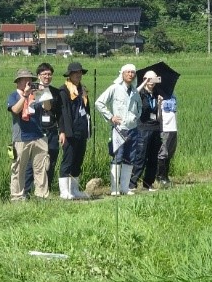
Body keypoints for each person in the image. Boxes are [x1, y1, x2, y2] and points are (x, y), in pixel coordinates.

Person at [95, 63, 142, 195]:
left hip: (132, 128)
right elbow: (99, 102)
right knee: (117, 157)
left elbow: (139, 106)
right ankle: (114, 188)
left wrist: (136, 116)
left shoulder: (134, 91)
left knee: (130, 157)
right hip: (119, 129)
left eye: (133, 72)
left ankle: (125, 188)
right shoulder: (115, 88)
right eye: (128, 72)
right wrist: (111, 117)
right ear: (122, 74)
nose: (130, 75)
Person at [7, 68, 49, 202]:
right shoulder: (14, 95)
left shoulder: (36, 95)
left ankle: (41, 195)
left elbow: (47, 107)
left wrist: (45, 91)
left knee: (41, 167)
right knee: (18, 169)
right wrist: (24, 96)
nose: (29, 82)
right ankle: (17, 197)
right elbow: (15, 110)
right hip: (21, 138)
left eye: (30, 80)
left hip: (38, 136)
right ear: (18, 82)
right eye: (26, 80)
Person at [56, 61, 91, 200]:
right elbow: (62, 113)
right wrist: (62, 131)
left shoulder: (83, 89)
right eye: (75, 73)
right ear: (69, 74)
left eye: (80, 72)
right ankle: (64, 192)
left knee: (78, 160)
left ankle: (74, 190)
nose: (78, 75)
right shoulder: (64, 91)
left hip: (82, 129)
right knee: (68, 160)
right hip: (70, 131)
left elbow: (86, 111)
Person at [24, 63, 61, 194]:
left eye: (49, 74)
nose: (47, 76)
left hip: (51, 130)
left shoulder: (56, 92)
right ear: (38, 75)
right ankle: (27, 192)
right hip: (35, 130)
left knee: (50, 160)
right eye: (44, 74)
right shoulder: (31, 91)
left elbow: (58, 113)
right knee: (30, 162)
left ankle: (47, 190)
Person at [129, 70, 163, 192]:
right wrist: (144, 83)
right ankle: (132, 184)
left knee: (153, 158)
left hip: (155, 128)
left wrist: (159, 104)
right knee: (140, 157)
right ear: (144, 79)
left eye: (154, 79)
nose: (152, 82)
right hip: (143, 128)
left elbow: (158, 116)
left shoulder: (156, 94)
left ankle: (148, 184)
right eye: (149, 79)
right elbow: (133, 94)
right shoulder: (141, 93)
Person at [157, 92, 178, 188]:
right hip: (164, 128)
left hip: (173, 127)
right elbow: (158, 114)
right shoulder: (158, 95)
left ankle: (166, 175)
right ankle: (160, 176)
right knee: (163, 152)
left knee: (170, 152)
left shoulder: (172, 95)